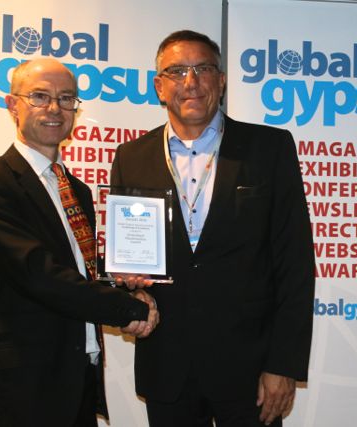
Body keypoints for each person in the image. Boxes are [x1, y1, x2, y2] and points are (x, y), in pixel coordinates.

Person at [111, 30, 315, 427]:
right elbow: (129, 257)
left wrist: (283, 364)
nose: (191, 82)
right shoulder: (131, 157)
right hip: (167, 365)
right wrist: (130, 289)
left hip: (251, 370)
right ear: (159, 86)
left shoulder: (269, 148)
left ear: (220, 81)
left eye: (203, 69)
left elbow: (295, 263)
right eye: (177, 71)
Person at [0, 58, 158, 427]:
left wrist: (125, 283)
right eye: (39, 96)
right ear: (12, 105)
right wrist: (127, 309)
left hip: (77, 376)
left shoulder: (76, 189)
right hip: (20, 386)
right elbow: (37, 274)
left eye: (66, 99)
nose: (54, 108)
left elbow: (77, 272)